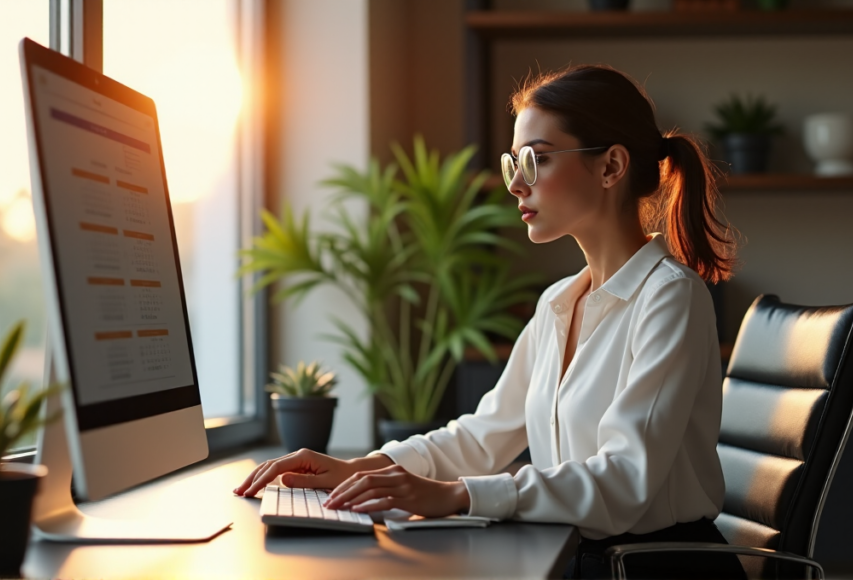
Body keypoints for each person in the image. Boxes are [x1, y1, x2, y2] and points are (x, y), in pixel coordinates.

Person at [234, 64, 745, 579]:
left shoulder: (670, 298)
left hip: (654, 566)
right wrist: (362, 467)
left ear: (611, 166)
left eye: (536, 159)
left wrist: (457, 495)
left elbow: (625, 480)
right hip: (580, 556)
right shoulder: (557, 303)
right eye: (513, 163)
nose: (517, 184)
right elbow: (482, 437)